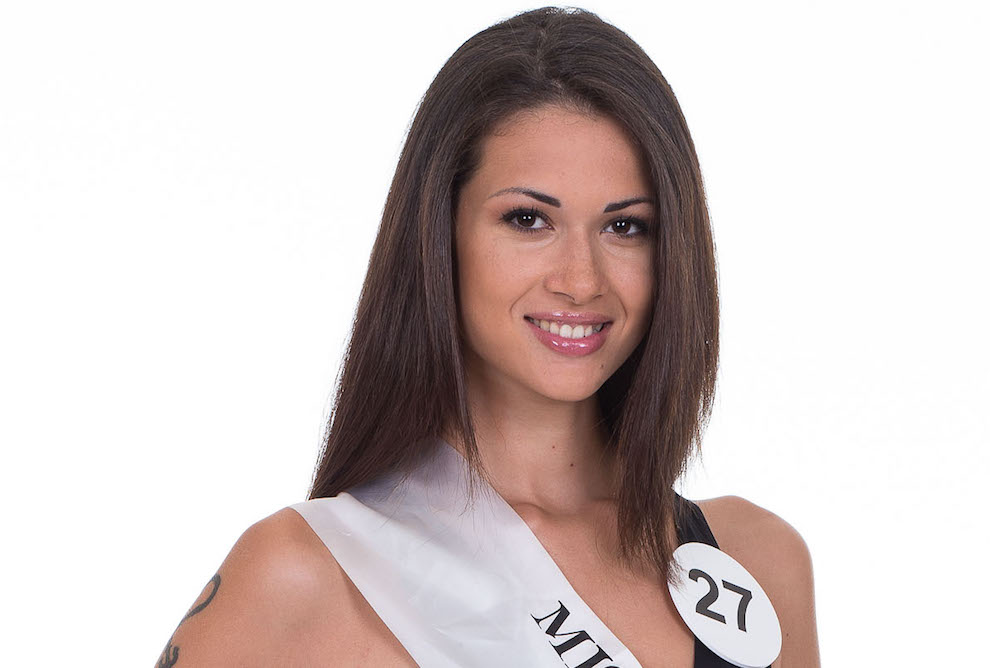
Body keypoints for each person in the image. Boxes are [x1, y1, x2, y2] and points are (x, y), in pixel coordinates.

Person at [156, 7, 820, 667]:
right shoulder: (301, 580)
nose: (581, 280)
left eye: (625, 227)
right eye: (528, 219)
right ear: (439, 235)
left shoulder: (756, 565)